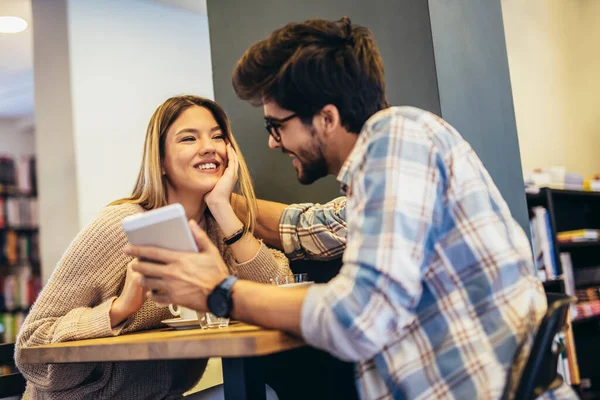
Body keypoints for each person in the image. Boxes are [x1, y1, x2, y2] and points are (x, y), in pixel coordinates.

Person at [129, 18, 576, 400]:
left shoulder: (397, 143)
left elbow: (358, 319)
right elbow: (308, 227)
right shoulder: (387, 159)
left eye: (276, 125)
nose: (271, 141)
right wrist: (217, 200)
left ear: (325, 118)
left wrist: (219, 292)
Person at [15, 95, 291, 399]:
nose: (209, 146)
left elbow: (279, 294)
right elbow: (32, 344)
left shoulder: (216, 229)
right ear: (159, 161)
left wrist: (222, 208)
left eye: (217, 136)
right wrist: (120, 309)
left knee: (263, 394)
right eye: (189, 138)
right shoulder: (120, 225)